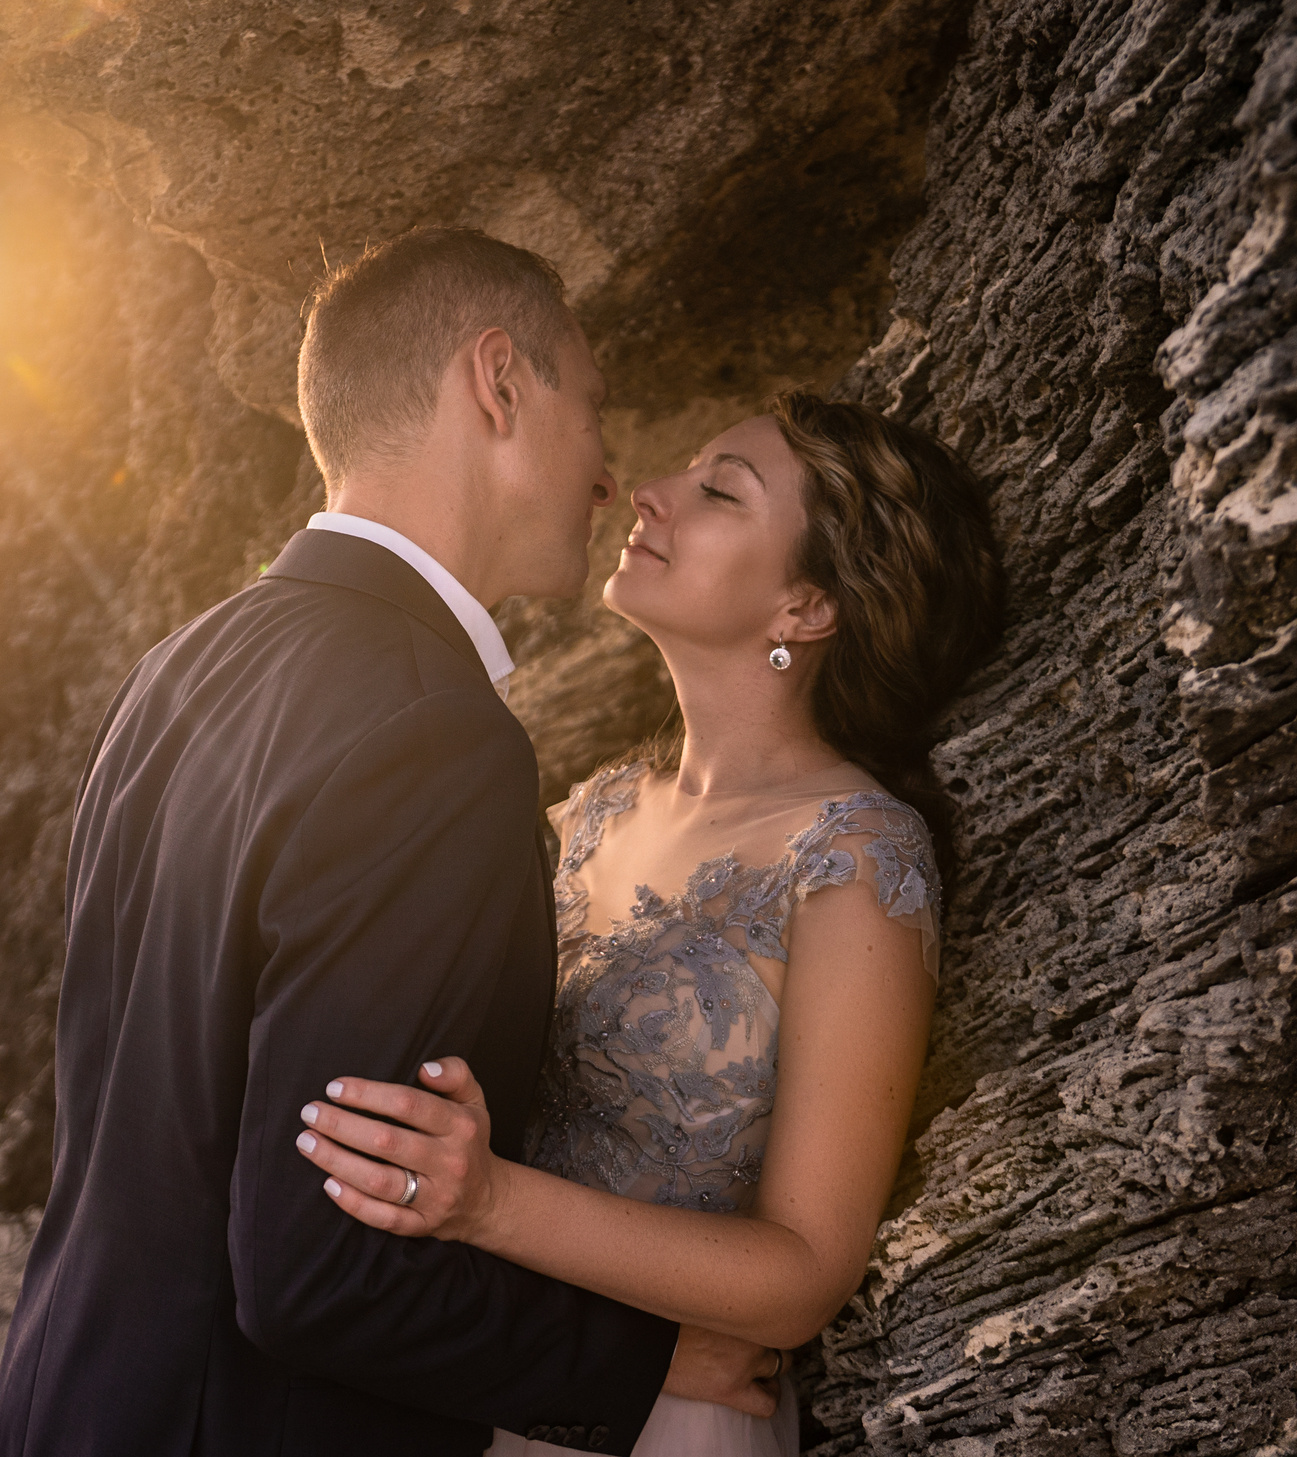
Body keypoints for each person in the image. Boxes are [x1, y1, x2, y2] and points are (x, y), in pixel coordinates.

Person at [0, 229, 778, 1457]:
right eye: (593, 406)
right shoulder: (432, 733)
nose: (607, 474)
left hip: (67, 1398)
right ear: (497, 383)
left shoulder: (178, 665)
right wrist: (647, 1361)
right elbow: (324, 1273)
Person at [292, 392, 1006, 1455]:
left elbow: (805, 1272)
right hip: (496, 1375)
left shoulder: (855, 857)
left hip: (673, 1423)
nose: (649, 492)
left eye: (719, 490)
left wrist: (489, 1202)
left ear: (807, 607)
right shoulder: (593, 808)